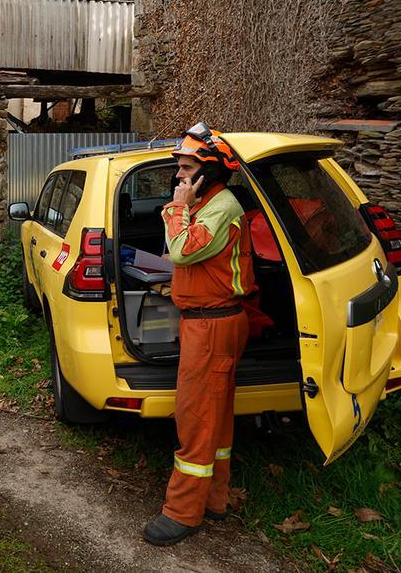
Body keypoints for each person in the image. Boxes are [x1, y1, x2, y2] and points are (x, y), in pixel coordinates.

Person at [143, 122, 256, 546]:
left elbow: (182, 250)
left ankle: (182, 512)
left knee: (195, 419)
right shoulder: (212, 203)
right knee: (216, 420)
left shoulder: (219, 207)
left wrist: (177, 208)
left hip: (211, 326)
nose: (178, 176)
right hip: (211, 322)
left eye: (186, 169)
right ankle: (214, 499)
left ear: (209, 172)